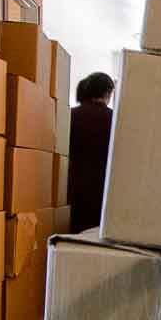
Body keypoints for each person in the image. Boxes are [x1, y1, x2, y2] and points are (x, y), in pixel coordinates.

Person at [66, 70, 116, 234]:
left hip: (73, 187)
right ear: (107, 92)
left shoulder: (70, 115)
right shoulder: (115, 119)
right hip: (104, 190)